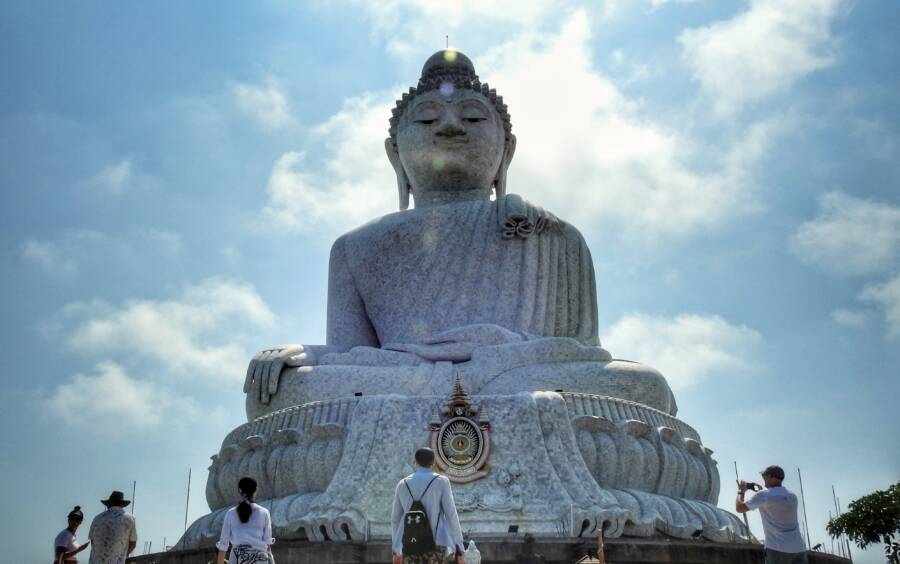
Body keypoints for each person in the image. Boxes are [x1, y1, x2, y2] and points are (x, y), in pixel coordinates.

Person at [391, 447, 465, 564]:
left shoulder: (402, 484)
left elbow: (395, 519)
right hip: (436, 544)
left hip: (410, 545)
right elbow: (451, 515)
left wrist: (396, 550)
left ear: (415, 461)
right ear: (433, 462)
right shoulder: (441, 481)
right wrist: (459, 546)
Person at [736, 465, 808, 564]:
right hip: (798, 548)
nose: (763, 478)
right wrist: (762, 490)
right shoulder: (792, 497)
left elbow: (739, 508)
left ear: (770, 477)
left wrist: (741, 491)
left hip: (777, 548)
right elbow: (775, 501)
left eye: (764, 476)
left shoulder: (763, 495)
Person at [215, 477, 274, 564]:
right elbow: (268, 545)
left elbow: (223, 546)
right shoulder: (264, 512)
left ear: (240, 491)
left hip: (237, 559)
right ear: (256, 490)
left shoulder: (231, 513)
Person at [87, 491, 137, 564]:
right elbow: (133, 544)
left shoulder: (97, 518)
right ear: (122, 505)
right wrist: (122, 556)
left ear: (108, 504)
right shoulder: (130, 519)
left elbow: (93, 541)